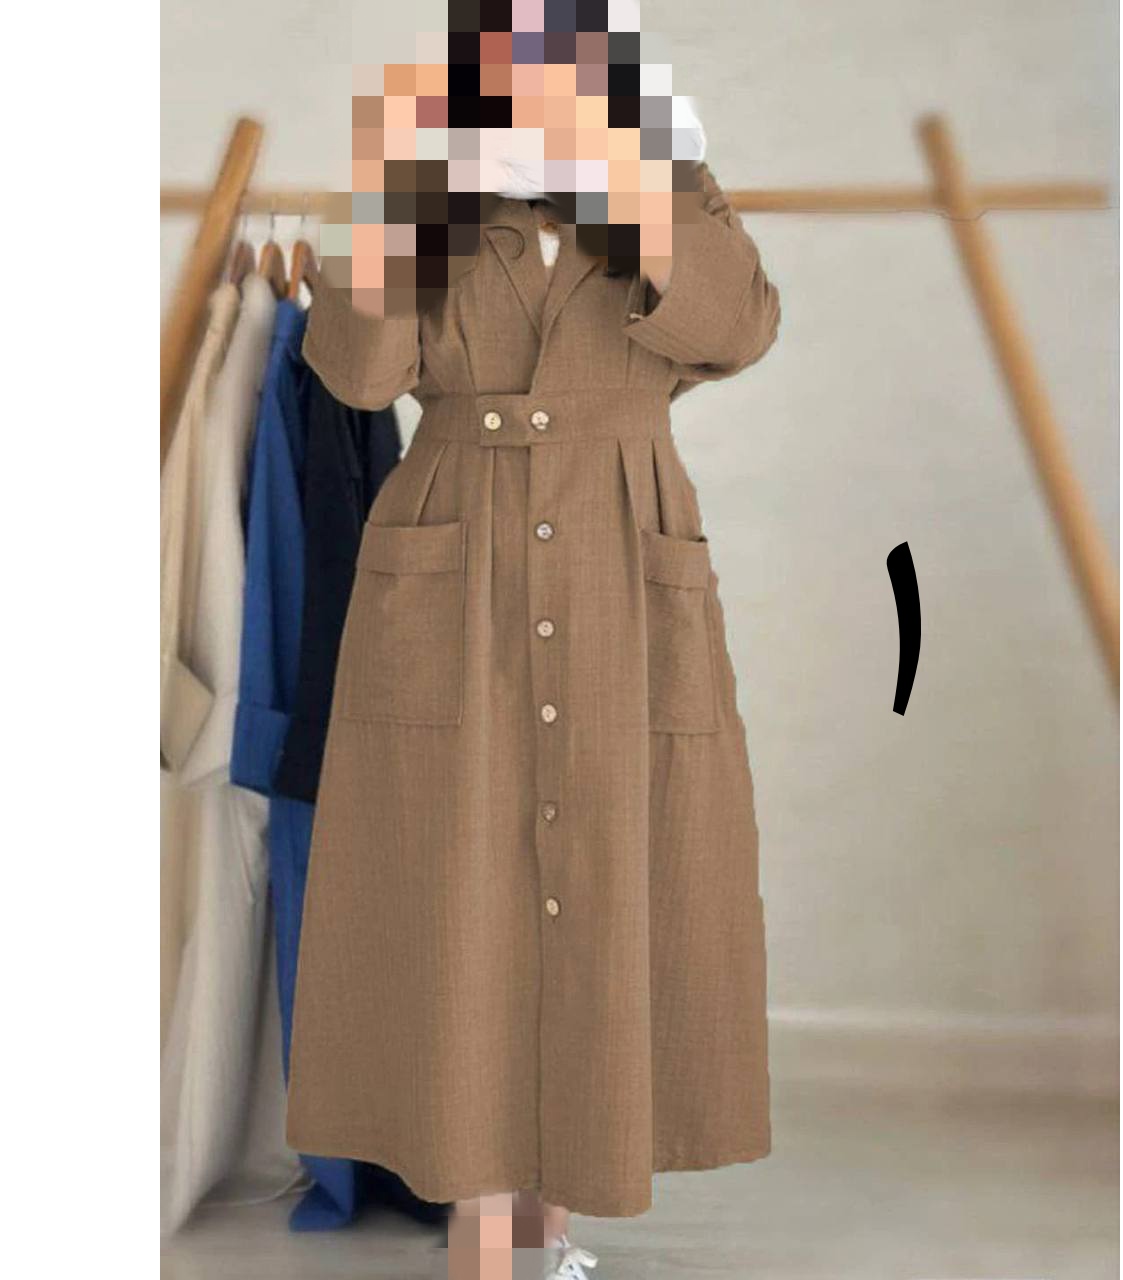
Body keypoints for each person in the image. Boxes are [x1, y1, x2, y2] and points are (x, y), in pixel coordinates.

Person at [284, 26, 782, 1280]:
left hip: (623, 546)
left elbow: (739, 328)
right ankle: (482, 1234)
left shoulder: (669, 179)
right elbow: (355, 371)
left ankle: (550, 1232)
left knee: (613, 861)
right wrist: (407, 186)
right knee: (455, 877)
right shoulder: (416, 182)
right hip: (455, 550)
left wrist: (633, 178)